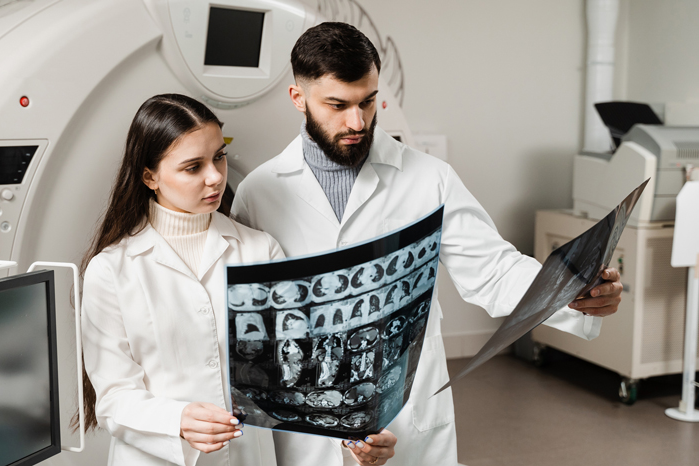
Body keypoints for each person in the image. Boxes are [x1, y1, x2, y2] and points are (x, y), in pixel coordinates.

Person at [231, 23, 623, 466]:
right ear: (298, 99)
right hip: (305, 424)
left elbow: (492, 270)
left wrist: (575, 290)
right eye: (337, 106)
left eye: (367, 101)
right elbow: (250, 322)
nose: (357, 121)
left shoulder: (429, 178)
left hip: (403, 415)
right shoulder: (259, 191)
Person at [80, 94, 284, 466]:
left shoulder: (260, 251)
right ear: (150, 176)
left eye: (219, 157)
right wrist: (178, 420)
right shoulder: (111, 270)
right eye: (193, 167)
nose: (216, 177)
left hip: (246, 455)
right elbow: (113, 398)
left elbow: (288, 368)